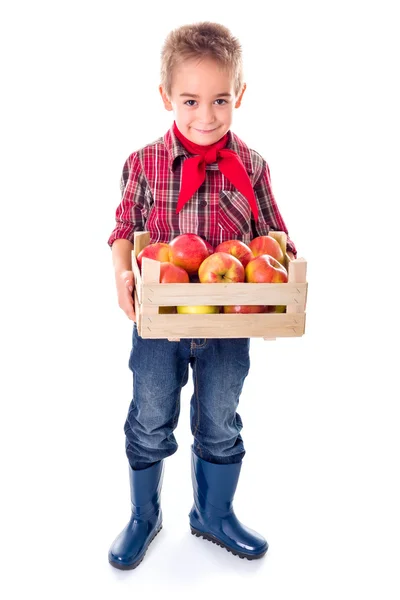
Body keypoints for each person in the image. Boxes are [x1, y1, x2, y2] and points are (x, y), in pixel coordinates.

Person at [107, 21, 297, 570]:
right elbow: (123, 231)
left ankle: (212, 514)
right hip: (159, 323)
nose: (206, 116)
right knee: (149, 414)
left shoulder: (253, 167)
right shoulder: (144, 164)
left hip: (227, 324)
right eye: (190, 100)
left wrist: (283, 280)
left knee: (220, 416)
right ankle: (145, 515)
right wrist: (123, 276)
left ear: (239, 94)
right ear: (166, 97)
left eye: (220, 100)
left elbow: (278, 239)